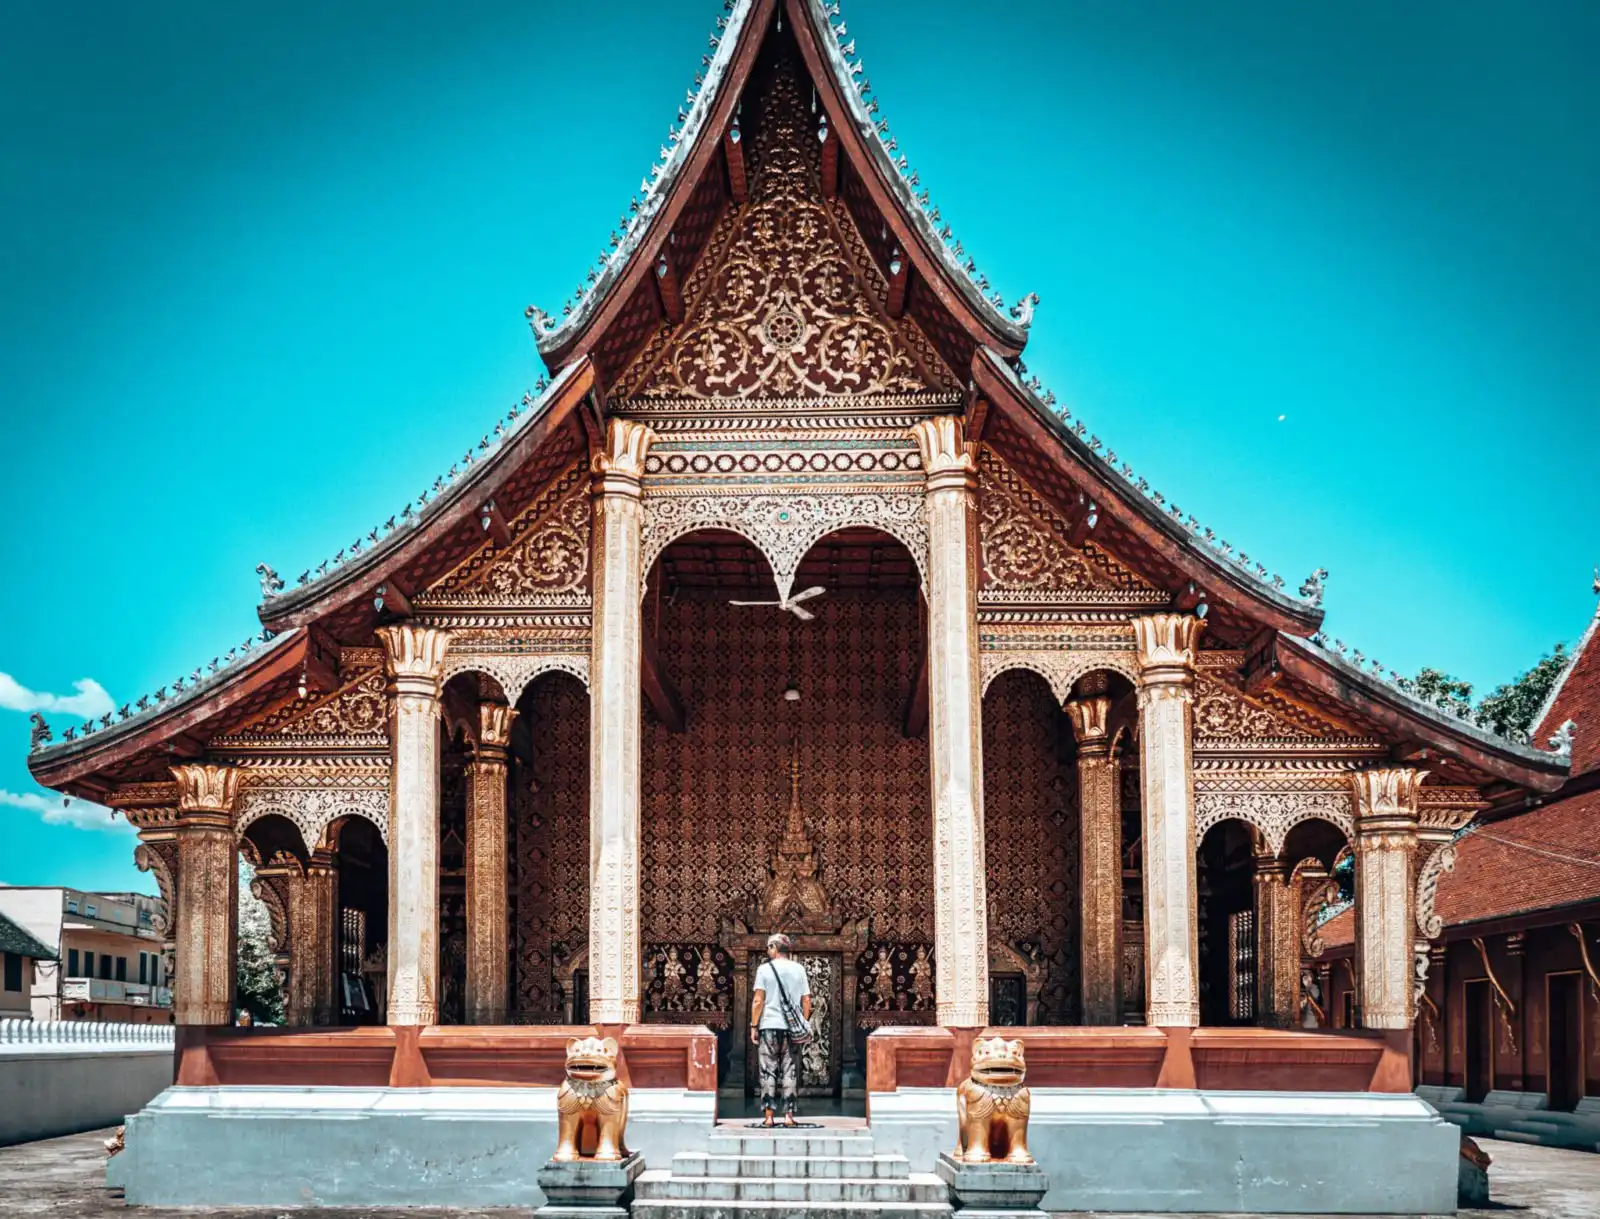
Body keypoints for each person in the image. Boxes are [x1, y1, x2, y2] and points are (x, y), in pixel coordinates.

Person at [749, 932, 811, 1127]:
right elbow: (806, 1000)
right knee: (790, 1070)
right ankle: (789, 1116)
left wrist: (754, 1025)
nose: (768, 951)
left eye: (769, 947)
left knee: (768, 1070)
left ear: (775, 948)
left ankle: (768, 1117)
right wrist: (802, 1021)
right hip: (791, 1029)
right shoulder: (799, 969)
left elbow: (758, 1000)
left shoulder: (764, 970)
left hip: (769, 1025)